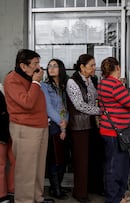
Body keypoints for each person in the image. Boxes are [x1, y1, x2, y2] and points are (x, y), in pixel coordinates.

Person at [4, 49, 54, 203]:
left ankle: (37, 198)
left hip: (40, 127)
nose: (39, 67)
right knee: (26, 169)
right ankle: (24, 200)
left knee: (38, 167)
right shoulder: (12, 80)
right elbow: (27, 102)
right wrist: (36, 82)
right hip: (25, 129)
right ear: (23, 66)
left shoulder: (31, 77)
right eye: (35, 63)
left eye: (39, 62)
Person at [97, 57, 130, 203]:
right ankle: (114, 199)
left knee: (115, 164)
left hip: (108, 130)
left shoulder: (102, 83)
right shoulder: (115, 85)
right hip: (116, 132)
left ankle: (118, 196)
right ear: (118, 68)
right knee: (115, 167)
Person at [66, 54, 101, 202]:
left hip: (92, 124)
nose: (94, 68)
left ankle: (92, 187)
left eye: (94, 65)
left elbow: (95, 98)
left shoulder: (91, 80)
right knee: (81, 161)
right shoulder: (72, 82)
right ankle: (80, 193)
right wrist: (99, 111)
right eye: (91, 65)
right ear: (82, 67)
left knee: (93, 158)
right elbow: (79, 105)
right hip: (79, 126)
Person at [41, 59, 69, 200]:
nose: (51, 68)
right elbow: (48, 108)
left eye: (55, 66)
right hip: (53, 125)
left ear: (61, 69)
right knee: (54, 158)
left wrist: (65, 124)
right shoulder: (45, 86)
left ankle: (58, 185)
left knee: (63, 158)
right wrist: (61, 124)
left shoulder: (64, 86)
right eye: (49, 66)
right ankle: (55, 189)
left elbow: (66, 107)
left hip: (64, 125)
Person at [0, 89, 15, 203]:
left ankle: (12, 189)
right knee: (1, 164)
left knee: (15, 162)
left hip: (11, 134)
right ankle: (2, 194)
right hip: (2, 134)